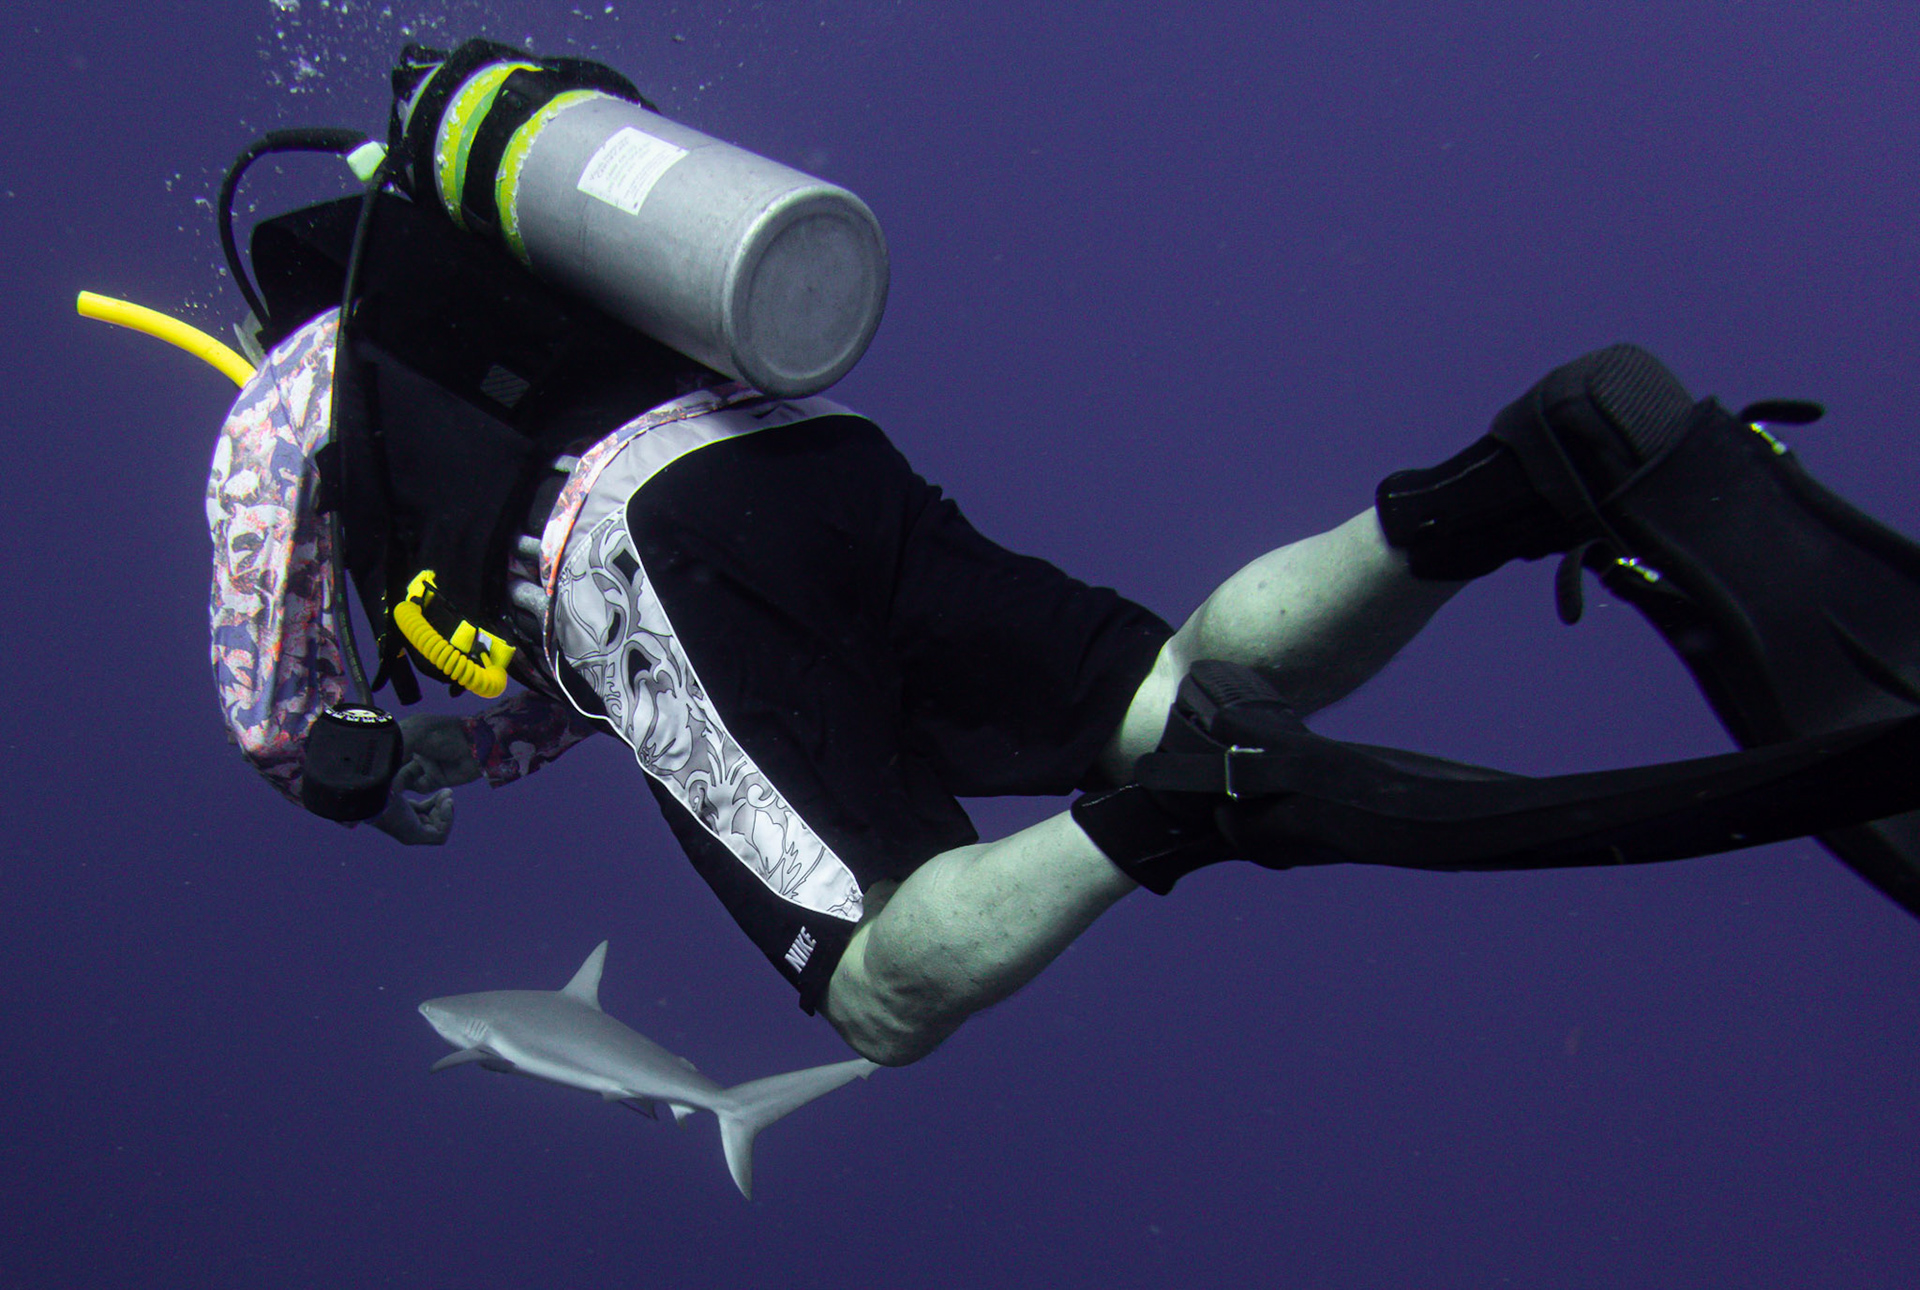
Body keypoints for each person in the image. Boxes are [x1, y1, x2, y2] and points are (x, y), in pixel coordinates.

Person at [210, 305, 1920, 1067]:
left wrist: (347, 766)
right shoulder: (509, 278)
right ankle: (1524, 475)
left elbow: (269, 698)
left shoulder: (292, 389)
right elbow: (553, 690)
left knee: (882, 989)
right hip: (798, 453)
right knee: (1172, 675)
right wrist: (472, 739)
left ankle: (1182, 809)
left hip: (637, 556)